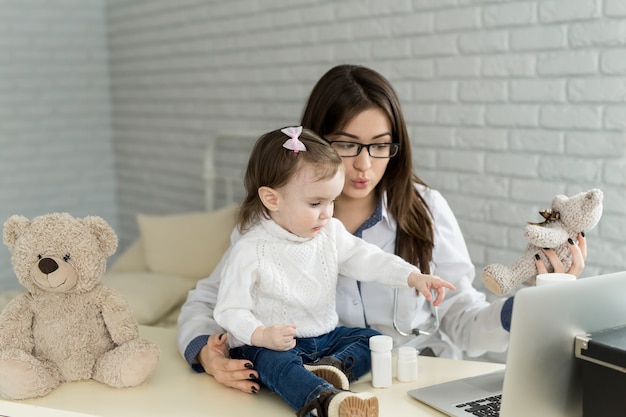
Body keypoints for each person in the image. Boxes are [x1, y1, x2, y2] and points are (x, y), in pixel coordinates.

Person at [177, 64, 587, 396]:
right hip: (302, 388)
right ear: (315, 142)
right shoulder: (268, 224)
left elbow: (461, 319)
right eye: (347, 144)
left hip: (414, 385)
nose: (364, 165)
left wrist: (533, 302)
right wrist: (207, 355)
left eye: (379, 145)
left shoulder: (427, 209)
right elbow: (208, 302)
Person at [212, 126, 455, 417]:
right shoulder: (251, 249)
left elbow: (368, 258)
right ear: (272, 199)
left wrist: (412, 276)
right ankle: (326, 400)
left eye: (332, 201)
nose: (327, 213)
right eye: (316, 203)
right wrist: (261, 334)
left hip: (324, 339)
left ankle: (331, 369)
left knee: (372, 340)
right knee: (272, 363)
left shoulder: (329, 232)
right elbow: (230, 310)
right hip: (272, 345)